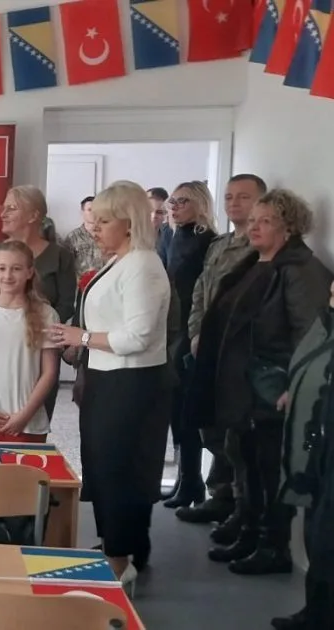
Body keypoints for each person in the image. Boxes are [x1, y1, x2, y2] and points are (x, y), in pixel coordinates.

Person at [186, 189, 331, 576]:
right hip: (243, 385)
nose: (254, 227)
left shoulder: (300, 270)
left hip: (274, 388)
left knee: (269, 469)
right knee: (245, 460)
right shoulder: (255, 262)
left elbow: (311, 336)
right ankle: (248, 530)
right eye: (253, 220)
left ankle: (272, 546)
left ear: (289, 227)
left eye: (265, 221)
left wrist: (294, 386)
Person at [47, 181, 171, 588]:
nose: (94, 229)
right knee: (101, 466)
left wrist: (80, 336)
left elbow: (138, 336)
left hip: (130, 383)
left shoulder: (143, 265)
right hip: (105, 378)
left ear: (129, 223)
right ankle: (112, 548)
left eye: (103, 222)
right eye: (94, 221)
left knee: (119, 469)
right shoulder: (120, 261)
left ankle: (120, 559)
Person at [177, 174, 267, 528]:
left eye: (243, 197)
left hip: (236, 351)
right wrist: (196, 332)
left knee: (232, 429)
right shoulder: (220, 244)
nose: (234, 203)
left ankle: (233, 502)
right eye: (229, 197)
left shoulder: (259, 249)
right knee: (210, 424)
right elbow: (201, 291)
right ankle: (220, 494)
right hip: (207, 346)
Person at [0, 185, 76, 419]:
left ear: (34, 215)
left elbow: (66, 304)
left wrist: (35, 327)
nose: (3, 213)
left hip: (38, 351)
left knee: (32, 422)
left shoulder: (60, 256)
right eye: (3, 208)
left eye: (11, 208)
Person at [272, 281, 334, 629]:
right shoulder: (325, 322)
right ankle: (316, 613)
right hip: (315, 451)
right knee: (317, 532)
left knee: (326, 538)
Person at [0, 241, 60, 443]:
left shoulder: (46, 314)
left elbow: (49, 372)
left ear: (29, 272)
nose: (7, 276)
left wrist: (24, 415)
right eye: (2, 268)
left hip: (26, 423)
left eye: (16, 269)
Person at [160, 182, 219, 510]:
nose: (174, 206)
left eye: (182, 201)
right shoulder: (168, 235)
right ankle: (185, 479)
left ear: (200, 204)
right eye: (172, 201)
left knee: (188, 410)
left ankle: (193, 480)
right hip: (170, 329)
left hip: (191, 330)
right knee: (174, 410)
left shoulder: (208, 241)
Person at [61, 196, 106, 280]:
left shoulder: (107, 234)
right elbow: (65, 265)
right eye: (89, 210)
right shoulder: (73, 237)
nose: (93, 213)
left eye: (96, 210)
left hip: (105, 282)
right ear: (82, 212)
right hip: (81, 284)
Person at [150, 187, 173, 260]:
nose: (153, 216)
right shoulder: (129, 237)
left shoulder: (170, 238)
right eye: (149, 210)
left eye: (159, 212)